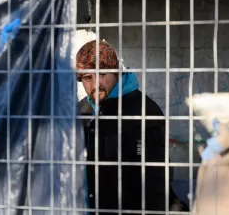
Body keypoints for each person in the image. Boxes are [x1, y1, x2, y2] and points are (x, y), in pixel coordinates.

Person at [76, 40, 186, 213]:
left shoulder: (144, 110)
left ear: (116, 72)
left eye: (103, 74)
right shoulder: (81, 110)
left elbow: (155, 178)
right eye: (87, 77)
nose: (96, 83)